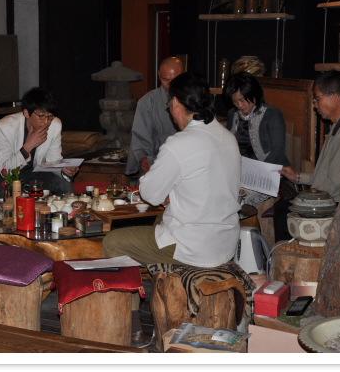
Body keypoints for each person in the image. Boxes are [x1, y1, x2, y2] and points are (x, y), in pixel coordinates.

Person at [102, 72, 241, 345]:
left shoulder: (180, 144)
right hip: (225, 239)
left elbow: (150, 193)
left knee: (114, 242)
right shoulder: (227, 136)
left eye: (169, 104)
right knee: (155, 224)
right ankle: (147, 296)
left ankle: (131, 324)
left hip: (195, 247)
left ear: (176, 103)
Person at [274, 70, 340, 241]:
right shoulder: (339, 125)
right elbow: (321, 176)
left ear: (335, 98)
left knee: (283, 212)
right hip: (324, 200)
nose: (315, 105)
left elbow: (334, 184)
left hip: (332, 206)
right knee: (281, 207)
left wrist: (304, 201)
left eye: (317, 98)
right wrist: (296, 177)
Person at [0, 87, 78, 197]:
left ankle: (64, 208)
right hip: (0, 172)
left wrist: (64, 169)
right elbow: (6, 170)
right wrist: (27, 147)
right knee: (8, 186)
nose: (46, 122)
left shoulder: (55, 125)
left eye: (50, 117)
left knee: (63, 184)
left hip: (33, 171)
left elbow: (53, 159)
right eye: (41, 116)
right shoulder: (4, 127)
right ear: (26, 113)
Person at [125, 56, 185, 176]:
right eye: (165, 79)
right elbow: (140, 136)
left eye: (175, 79)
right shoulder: (148, 101)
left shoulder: (193, 99)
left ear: (184, 75)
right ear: (159, 75)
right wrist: (142, 157)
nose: (170, 85)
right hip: (156, 162)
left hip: (185, 162)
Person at [224, 71, 291, 166]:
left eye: (242, 100)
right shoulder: (233, 114)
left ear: (254, 94)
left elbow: (277, 151)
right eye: (235, 101)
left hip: (266, 168)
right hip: (240, 167)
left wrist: (260, 170)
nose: (239, 105)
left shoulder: (271, 114)